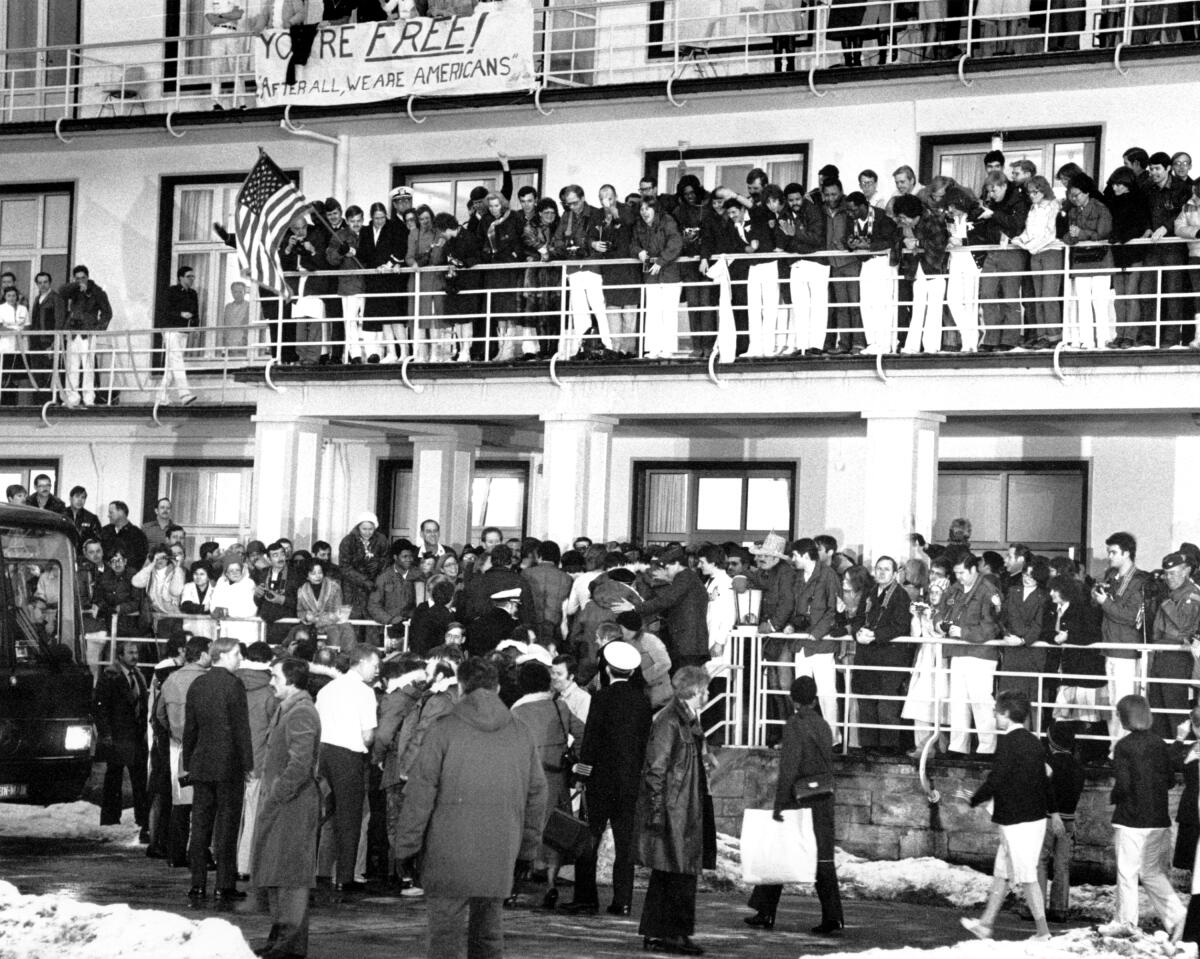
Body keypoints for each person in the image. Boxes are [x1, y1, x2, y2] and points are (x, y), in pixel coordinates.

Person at [393, 656, 547, 959]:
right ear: (498, 686)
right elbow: (537, 795)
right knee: (489, 934)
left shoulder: (443, 730)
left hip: (446, 851)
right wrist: (527, 850)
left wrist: (406, 847)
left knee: (445, 937)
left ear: (461, 687)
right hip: (499, 849)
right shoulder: (520, 731)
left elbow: (420, 793)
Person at [744, 675, 843, 935]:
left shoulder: (794, 724)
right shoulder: (823, 725)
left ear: (793, 699)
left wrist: (779, 803)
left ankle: (765, 911)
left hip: (798, 797)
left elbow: (790, 766)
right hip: (823, 796)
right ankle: (833, 915)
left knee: (779, 850)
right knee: (823, 857)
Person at [959, 690, 1061, 942]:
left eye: (996, 711)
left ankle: (1043, 931)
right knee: (1003, 872)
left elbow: (997, 779)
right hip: (1033, 816)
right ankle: (985, 924)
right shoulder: (1034, 742)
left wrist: (973, 800)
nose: (994, 714)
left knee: (1026, 876)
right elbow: (1045, 779)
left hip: (1016, 820)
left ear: (1005, 715)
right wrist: (1054, 812)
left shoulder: (1008, 744)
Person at [563, 640, 652, 917]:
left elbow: (590, 741)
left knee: (590, 840)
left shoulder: (601, 698)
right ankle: (622, 901)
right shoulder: (642, 701)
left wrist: (582, 773)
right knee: (625, 846)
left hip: (600, 782)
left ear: (607, 668)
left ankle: (586, 898)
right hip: (630, 783)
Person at [634, 666, 716, 956]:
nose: (707, 694)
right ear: (693, 691)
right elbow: (656, 768)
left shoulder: (684, 719)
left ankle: (668, 932)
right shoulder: (671, 720)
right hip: (675, 810)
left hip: (683, 808)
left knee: (675, 874)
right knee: (675, 874)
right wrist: (656, 812)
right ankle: (670, 933)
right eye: (705, 689)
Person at [251, 656, 321, 959]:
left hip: (292, 804)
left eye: (276, 677)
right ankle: (280, 937)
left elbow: (300, 763)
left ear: (291, 681)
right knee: (279, 871)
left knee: (290, 874)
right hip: (285, 802)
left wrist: (278, 793)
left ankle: (289, 945)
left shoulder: (301, 712)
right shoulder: (289, 708)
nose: (271, 682)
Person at [181, 635, 254, 904]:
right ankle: (224, 883)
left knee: (199, 826)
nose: (239, 658)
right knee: (227, 825)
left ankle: (197, 883)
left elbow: (190, 728)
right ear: (222, 655)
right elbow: (240, 728)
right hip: (228, 765)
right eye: (236, 654)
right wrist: (248, 763)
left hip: (201, 764)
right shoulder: (234, 686)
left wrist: (188, 761)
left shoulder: (198, 684)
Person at [1110, 694, 1185, 936]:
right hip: (1158, 818)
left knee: (1127, 873)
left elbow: (1123, 785)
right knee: (1152, 873)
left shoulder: (1122, 747)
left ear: (1124, 718)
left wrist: (1114, 798)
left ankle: (1127, 923)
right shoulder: (1159, 744)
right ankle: (1178, 917)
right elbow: (1170, 781)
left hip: (1130, 818)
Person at [511, 659, 584, 908]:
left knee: (523, 831)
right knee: (554, 832)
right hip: (556, 777)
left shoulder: (517, 712)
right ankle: (551, 885)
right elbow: (584, 733)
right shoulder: (559, 707)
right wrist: (578, 766)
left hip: (526, 778)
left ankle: (514, 887)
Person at [315, 644, 379, 893]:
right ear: (361, 662)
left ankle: (321, 871)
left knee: (327, 815)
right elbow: (367, 736)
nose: (376, 670)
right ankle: (344, 877)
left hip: (325, 753)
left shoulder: (327, 688)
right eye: (374, 665)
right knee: (350, 817)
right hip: (349, 756)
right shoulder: (365, 693)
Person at [156, 635, 210, 868]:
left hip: (176, 745)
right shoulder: (206, 680)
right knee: (203, 801)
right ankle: (199, 853)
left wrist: (173, 730)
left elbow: (159, 714)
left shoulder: (171, 680)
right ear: (202, 654)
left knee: (180, 800)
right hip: (202, 745)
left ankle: (175, 854)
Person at [1095, 532, 1150, 749]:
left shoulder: (1139, 582)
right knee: (1112, 703)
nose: (1109, 556)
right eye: (1109, 552)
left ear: (1126, 553)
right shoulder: (1113, 578)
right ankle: (1114, 748)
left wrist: (1104, 603)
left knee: (1125, 702)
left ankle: (1125, 747)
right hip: (1110, 646)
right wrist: (1099, 597)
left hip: (1126, 648)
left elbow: (1130, 616)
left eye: (1113, 552)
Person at [92, 640, 150, 837]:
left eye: (136, 652)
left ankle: (142, 818)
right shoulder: (111, 676)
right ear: (120, 655)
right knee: (114, 778)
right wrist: (106, 733)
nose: (135, 656)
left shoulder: (138, 675)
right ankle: (110, 819)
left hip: (135, 736)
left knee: (140, 779)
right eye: (130, 652)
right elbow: (100, 708)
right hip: (118, 736)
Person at [1038, 720, 1086, 924]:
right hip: (1069, 819)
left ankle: (1037, 907)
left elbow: (1044, 792)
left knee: (1040, 862)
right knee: (1062, 865)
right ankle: (1059, 908)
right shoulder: (1078, 767)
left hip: (1049, 818)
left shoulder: (1048, 765)